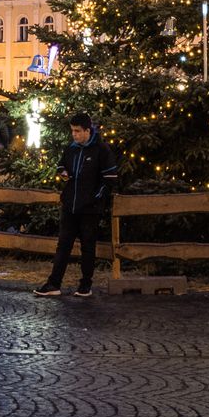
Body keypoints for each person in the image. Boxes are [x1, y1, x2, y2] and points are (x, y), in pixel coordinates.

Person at [35, 113, 118, 299]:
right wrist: (63, 173)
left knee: (88, 246)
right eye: (72, 131)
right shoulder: (71, 149)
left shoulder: (101, 150)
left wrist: (95, 199)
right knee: (63, 245)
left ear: (88, 131)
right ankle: (54, 283)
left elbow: (110, 178)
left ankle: (85, 285)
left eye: (78, 131)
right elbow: (60, 166)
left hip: (90, 209)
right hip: (70, 205)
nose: (74, 134)